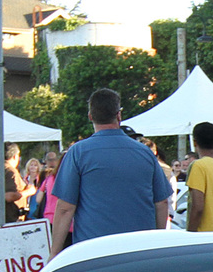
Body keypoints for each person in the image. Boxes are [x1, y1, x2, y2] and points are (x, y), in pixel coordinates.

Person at [48, 89, 173, 257]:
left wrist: (54, 253)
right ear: (119, 115)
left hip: (94, 252)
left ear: (90, 116)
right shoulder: (145, 153)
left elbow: (65, 209)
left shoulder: (78, 153)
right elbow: (161, 203)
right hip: (140, 251)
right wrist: (156, 243)